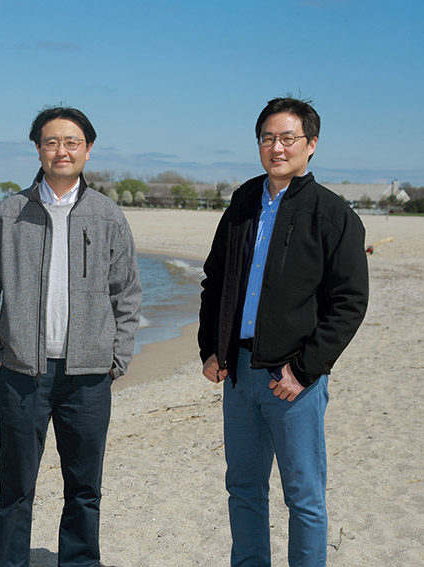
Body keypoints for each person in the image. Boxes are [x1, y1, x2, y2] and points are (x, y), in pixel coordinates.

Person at [0, 106, 143, 567]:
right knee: (17, 488)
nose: (61, 150)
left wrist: (116, 358)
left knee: (85, 489)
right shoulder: (9, 213)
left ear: (87, 149)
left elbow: (127, 293)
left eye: (71, 142)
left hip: (88, 378)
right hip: (23, 374)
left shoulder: (107, 215)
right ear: (38, 149)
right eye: (51, 142)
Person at [198, 97, 369, 566]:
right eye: (268, 138)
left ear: (311, 144)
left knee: (304, 496)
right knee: (244, 490)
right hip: (239, 374)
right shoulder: (243, 202)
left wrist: (304, 370)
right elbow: (216, 278)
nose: (277, 147)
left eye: (288, 138)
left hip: (293, 380)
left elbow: (350, 303)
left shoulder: (332, 214)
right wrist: (211, 349)